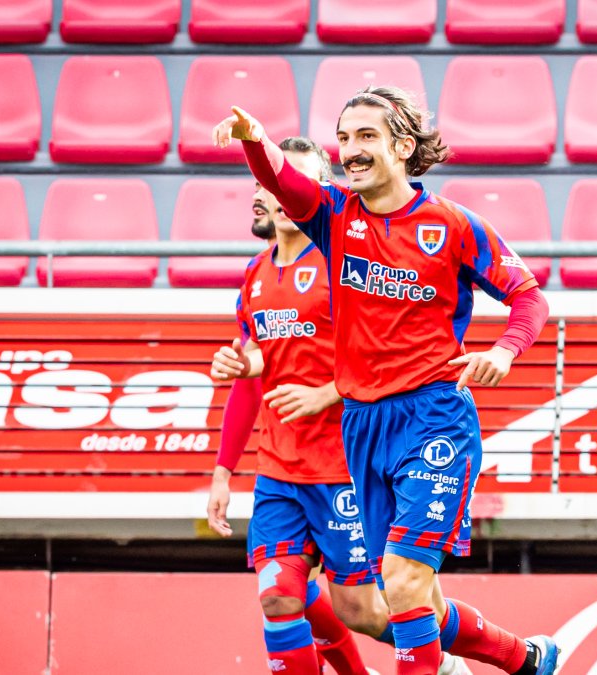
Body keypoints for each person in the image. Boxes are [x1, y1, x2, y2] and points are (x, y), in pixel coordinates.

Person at [212, 87, 558, 675]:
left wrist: (505, 348)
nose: (351, 150)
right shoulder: (334, 217)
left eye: (366, 136)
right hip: (363, 429)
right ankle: (522, 658)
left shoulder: (452, 225)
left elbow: (528, 296)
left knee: (400, 580)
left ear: (402, 146)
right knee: (397, 599)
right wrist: (254, 139)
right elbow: (288, 186)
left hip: (433, 418)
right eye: (344, 138)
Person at [208, 137, 400, 675]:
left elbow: (388, 358)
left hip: (344, 471)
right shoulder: (254, 276)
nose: (261, 189)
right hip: (278, 470)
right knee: (277, 598)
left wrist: (325, 394)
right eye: (259, 179)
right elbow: (255, 370)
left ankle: (444, 657)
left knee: (359, 611)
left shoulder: (349, 269)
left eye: (279, 178)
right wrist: (223, 470)